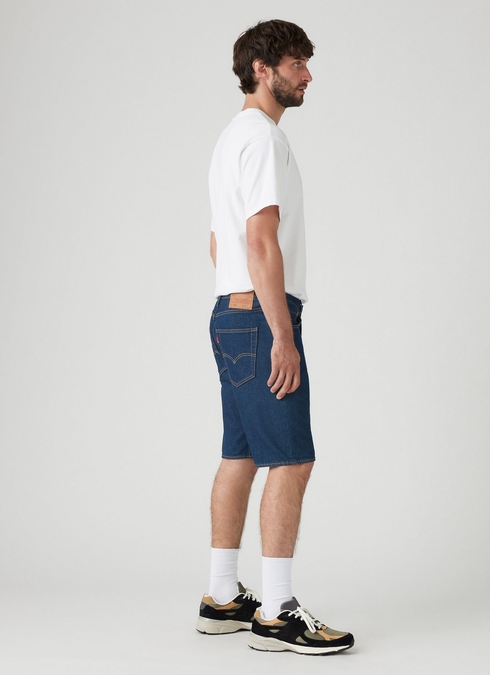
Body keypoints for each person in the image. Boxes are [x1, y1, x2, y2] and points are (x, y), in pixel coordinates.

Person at [195, 20, 354, 656]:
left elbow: (218, 244)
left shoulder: (230, 138)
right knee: (291, 459)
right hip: (262, 316)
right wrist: (281, 334)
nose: (308, 74)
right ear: (262, 68)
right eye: (296, 63)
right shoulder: (261, 138)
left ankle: (222, 596)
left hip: (230, 312)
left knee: (240, 454)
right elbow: (260, 241)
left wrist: (245, 312)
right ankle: (277, 612)